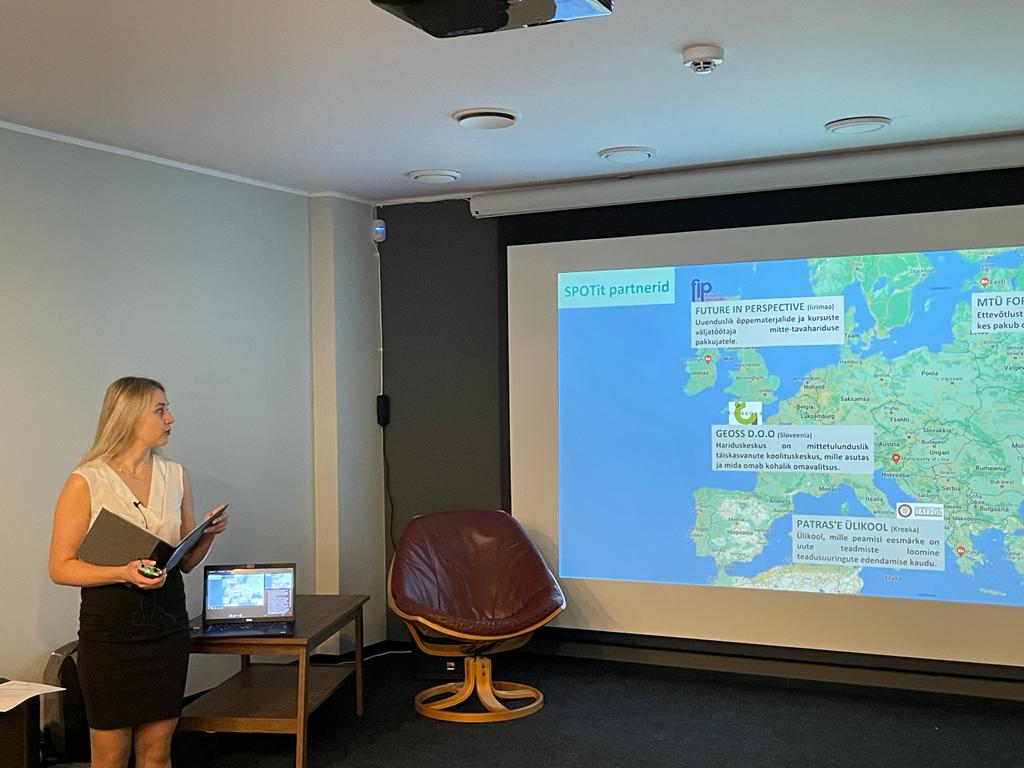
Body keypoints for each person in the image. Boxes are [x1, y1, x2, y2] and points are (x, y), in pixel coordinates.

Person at [48, 376, 228, 768]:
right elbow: (60, 568)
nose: (170, 418)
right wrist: (123, 572)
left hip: (166, 628)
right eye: (160, 410)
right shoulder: (86, 481)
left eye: (168, 409)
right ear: (129, 417)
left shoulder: (176, 475)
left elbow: (185, 562)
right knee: (111, 756)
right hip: (111, 633)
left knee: (157, 752)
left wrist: (207, 535)